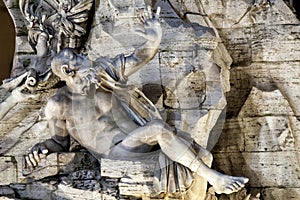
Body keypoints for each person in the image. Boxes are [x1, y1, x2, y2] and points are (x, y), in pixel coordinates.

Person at [24, 6, 248, 195]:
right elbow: (59, 142)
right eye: (80, 59)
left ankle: (205, 176)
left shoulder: (102, 74)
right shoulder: (59, 104)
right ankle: (214, 179)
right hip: (114, 154)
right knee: (159, 128)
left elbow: (138, 57)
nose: (87, 59)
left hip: (137, 140)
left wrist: (154, 39)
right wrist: (40, 148)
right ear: (68, 70)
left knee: (186, 141)